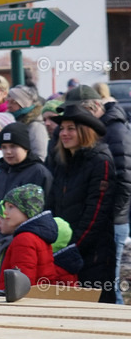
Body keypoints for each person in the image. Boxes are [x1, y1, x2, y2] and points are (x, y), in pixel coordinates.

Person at [65, 84, 131, 304]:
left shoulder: (115, 129)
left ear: (91, 109)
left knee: (108, 283)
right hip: (98, 219)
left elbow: (124, 178)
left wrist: (112, 215)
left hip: (111, 219)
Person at [0, 122, 52, 287]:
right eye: (4, 147)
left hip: (21, 248)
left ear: (26, 147)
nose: (8, 152)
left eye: (13, 146)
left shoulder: (39, 173)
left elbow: (43, 213)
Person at [49, 105, 116, 302]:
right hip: (65, 250)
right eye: (62, 129)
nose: (64, 133)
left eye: (71, 128)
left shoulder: (100, 161)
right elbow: (53, 203)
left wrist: (73, 247)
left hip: (93, 254)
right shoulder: (63, 161)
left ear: (85, 131)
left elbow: (96, 213)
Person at [0, 184, 81, 289]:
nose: (5, 212)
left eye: (11, 207)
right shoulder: (40, 237)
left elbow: (21, 285)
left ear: (27, 209)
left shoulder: (24, 239)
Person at [7, 85, 50, 162]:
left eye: (13, 102)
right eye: (8, 101)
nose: (8, 106)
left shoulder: (35, 126)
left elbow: (40, 156)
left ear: (23, 103)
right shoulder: (12, 121)